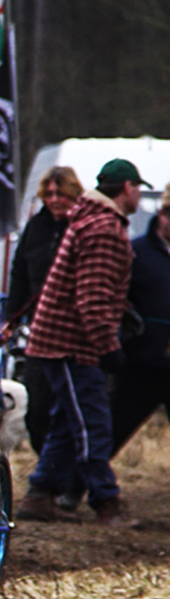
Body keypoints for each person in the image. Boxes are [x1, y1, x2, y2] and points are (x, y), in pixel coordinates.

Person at [16, 158, 147, 528]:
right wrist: (109, 346)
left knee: (66, 421)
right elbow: (92, 297)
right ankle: (107, 502)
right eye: (138, 188)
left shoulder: (90, 221)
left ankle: (40, 494)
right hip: (71, 343)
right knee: (92, 422)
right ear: (127, 189)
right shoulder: (105, 229)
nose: (138, 195)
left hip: (61, 339)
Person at [7, 166, 84, 452]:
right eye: (48, 194)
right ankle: (46, 464)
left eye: (60, 193)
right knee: (36, 407)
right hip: (39, 330)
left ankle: (67, 474)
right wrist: (11, 318)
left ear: (73, 194)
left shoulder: (83, 228)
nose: (54, 199)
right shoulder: (35, 228)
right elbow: (19, 274)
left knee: (71, 407)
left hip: (75, 331)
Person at [109, 187, 170, 455]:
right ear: (161, 213)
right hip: (141, 363)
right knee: (113, 429)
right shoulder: (135, 252)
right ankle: (71, 490)